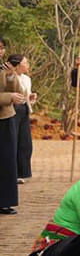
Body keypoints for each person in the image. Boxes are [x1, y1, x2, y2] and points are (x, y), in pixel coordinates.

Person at [0, 53, 24, 215]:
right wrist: (10, 96)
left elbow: (18, 92)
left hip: (6, 117)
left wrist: (10, 76)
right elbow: (11, 95)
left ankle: (4, 202)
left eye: (2, 48)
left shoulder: (4, 68)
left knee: (7, 161)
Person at [9, 55, 35, 182]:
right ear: (18, 65)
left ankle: (21, 173)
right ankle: (11, 173)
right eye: (25, 63)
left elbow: (26, 95)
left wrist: (31, 97)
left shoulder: (27, 79)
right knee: (12, 141)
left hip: (24, 110)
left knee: (25, 142)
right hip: (12, 110)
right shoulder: (9, 77)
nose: (28, 65)